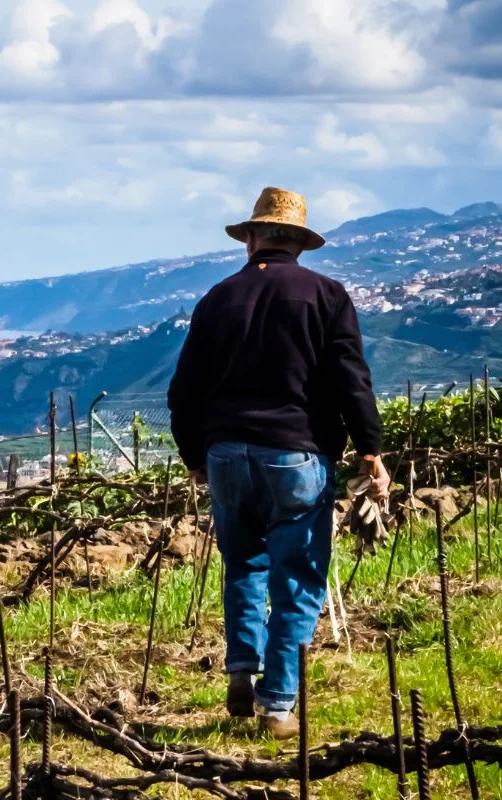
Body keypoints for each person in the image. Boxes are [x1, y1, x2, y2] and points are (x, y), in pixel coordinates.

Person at [166, 186, 390, 739]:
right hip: (297, 454)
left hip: (225, 455)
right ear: (300, 244)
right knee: (299, 576)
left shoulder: (217, 298)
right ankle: (278, 705)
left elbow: (183, 390)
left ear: (252, 239)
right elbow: (350, 379)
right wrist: (371, 450)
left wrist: (195, 456)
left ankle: (242, 667)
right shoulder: (326, 296)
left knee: (243, 563)